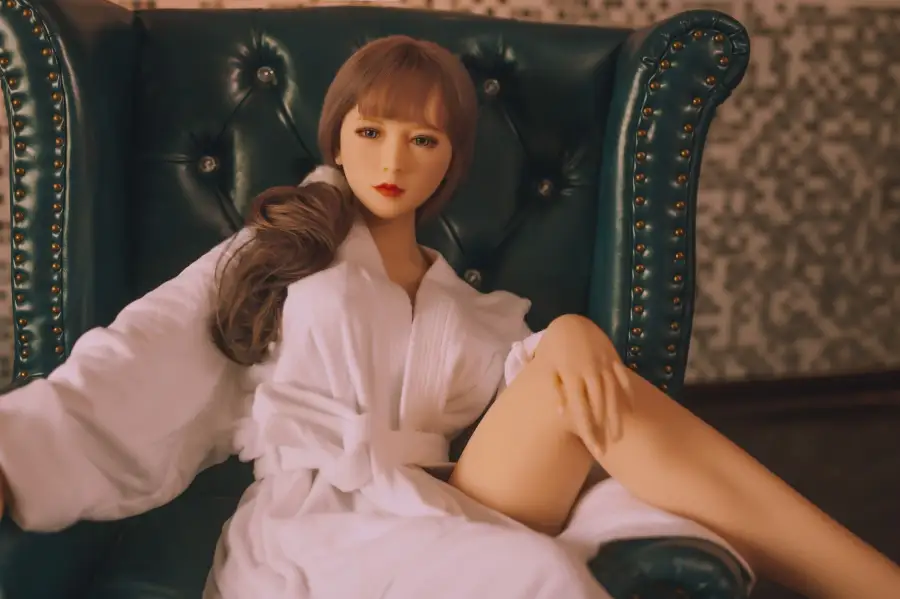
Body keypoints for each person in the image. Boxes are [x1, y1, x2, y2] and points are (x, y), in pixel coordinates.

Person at [0, 35, 898, 599]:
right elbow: (143, 352)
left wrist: (574, 334)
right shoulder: (279, 250)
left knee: (578, 368)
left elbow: (550, 398)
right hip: (318, 519)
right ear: (337, 137)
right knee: (537, 572)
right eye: (371, 132)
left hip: (444, 493)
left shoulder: (467, 303)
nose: (393, 160)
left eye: (422, 139)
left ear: (451, 160)